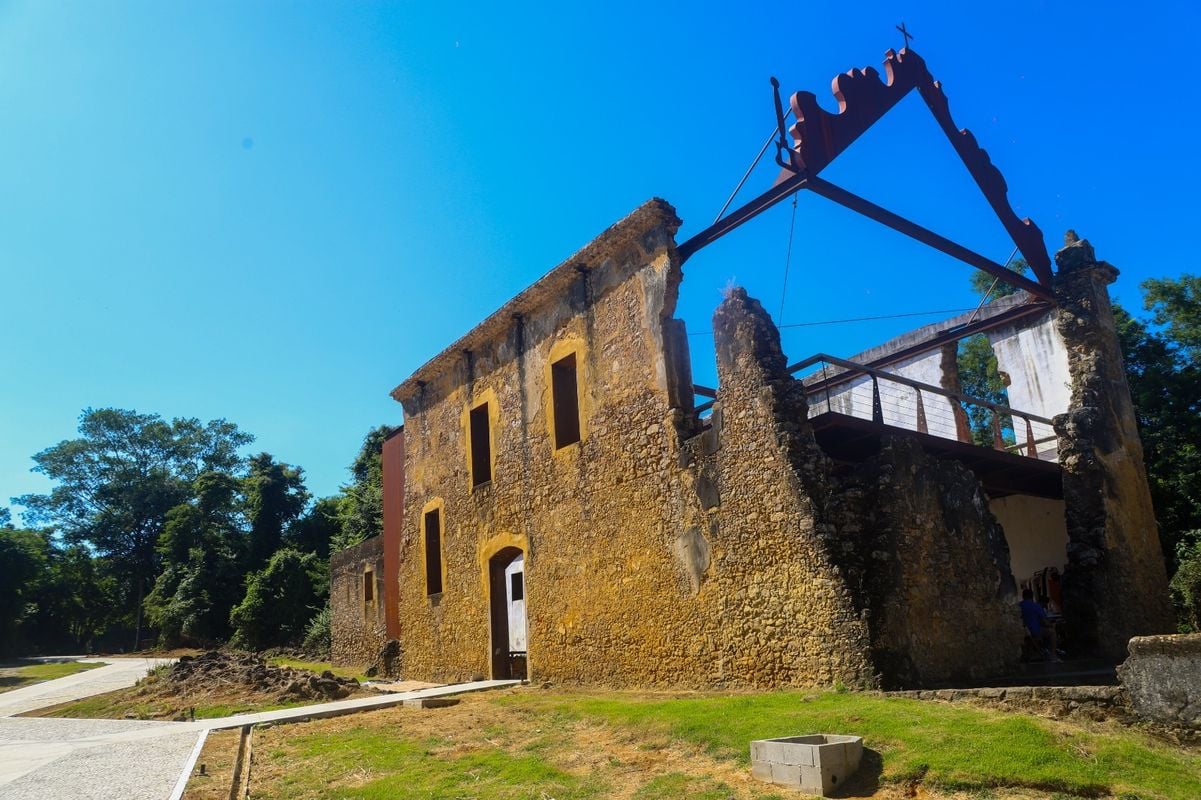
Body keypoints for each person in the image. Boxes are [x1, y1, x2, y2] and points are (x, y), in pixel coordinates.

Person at [1020, 588, 1060, 662]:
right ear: (1032, 596)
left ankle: (1034, 653)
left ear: (1023, 596)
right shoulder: (1036, 606)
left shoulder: (1019, 606)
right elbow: (1044, 621)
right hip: (1035, 631)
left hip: (1024, 631)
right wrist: (1051, 625)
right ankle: (1053, 654)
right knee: (1052, 632)